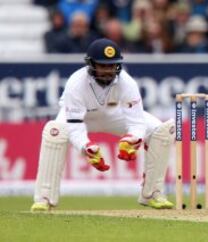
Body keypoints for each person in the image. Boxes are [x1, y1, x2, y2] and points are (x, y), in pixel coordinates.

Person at [31, 38, 174, 212]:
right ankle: (45, 198)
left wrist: (132, 139)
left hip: (113, 114)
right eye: (103, 66)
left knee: (163, 131)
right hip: (81, 117)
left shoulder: (126, 81)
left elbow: (136, 122)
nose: (108, 70)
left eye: (112, 66)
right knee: (54, 132)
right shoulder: (76, 83)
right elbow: (74, 126)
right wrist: (86, 147)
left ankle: (152, 193)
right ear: (91, 64)